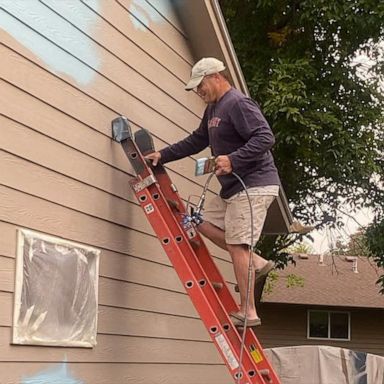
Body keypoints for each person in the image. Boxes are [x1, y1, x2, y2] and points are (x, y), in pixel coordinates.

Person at [145, 57, 280, 327]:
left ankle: (248, 310)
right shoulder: (214, 109)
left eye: (201, 85)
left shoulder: (238, 103)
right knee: (197, 220)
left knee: (237, 243)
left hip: (254, 184)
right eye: (196, 88)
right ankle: (255, 260)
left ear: (217, 76)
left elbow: (265, 138)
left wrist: (233, 159)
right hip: (233, 189)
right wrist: (163, 155)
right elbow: (197, 140)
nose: (199, 92)